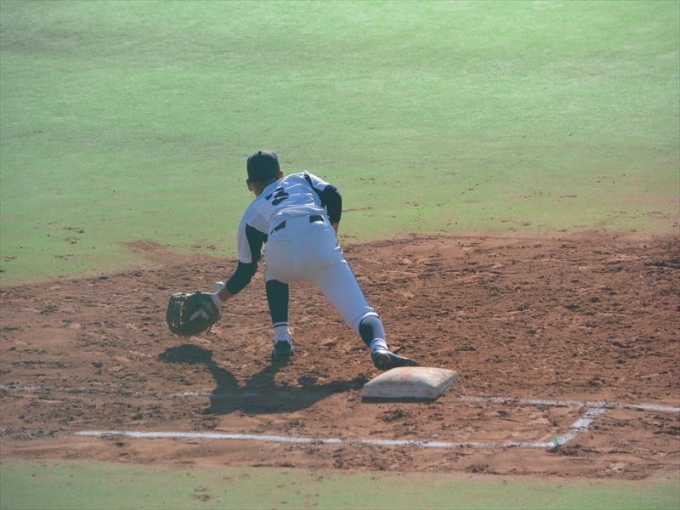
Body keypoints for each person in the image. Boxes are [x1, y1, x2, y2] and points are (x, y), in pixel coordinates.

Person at [209, 150, 418, 370]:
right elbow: (334, 194)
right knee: (361, 312)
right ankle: (379, 347)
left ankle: (282, 339)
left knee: (271, 267)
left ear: (249, 185)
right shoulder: (302, 179)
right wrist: (332, 233)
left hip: (281, 256)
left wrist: (217, 300)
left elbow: (245, 272)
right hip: (320, 240)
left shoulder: (251, 214)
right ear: (280, 175)